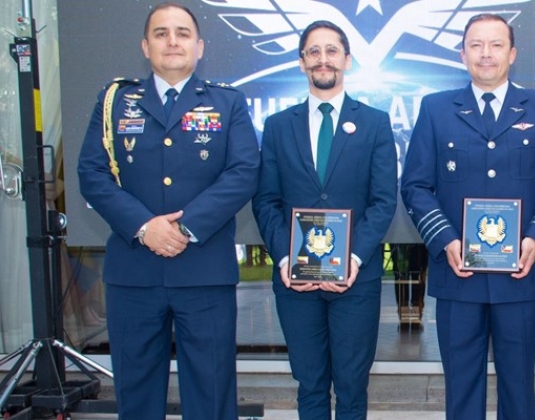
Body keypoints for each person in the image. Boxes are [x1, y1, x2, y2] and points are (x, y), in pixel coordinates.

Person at [76, 3, 259, 419]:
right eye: (161, 33)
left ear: (199, 46)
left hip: (204, 269)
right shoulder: (115, 102)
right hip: (134, 272)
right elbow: (92, 173)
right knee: (136, 390)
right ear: (145, 46)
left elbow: (244, 172)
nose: (172, 41)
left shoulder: (227, 103)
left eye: (181, 33)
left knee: (211, 392)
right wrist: (144, 227)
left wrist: (186, 227)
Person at [400, 13, 535, 420]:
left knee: (519, 392)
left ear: (512, 53)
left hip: (520, 275)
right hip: (457, 277)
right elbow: (415, 186)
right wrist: (446, 240)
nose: (486, 54)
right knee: (461, 392)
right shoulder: (436, 109)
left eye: (496, 44)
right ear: (462, 54)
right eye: (476, 45)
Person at [251, 20, 397, 420]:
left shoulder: (375, 123)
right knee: (310, 384)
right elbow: (266, 201)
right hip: (296, 283)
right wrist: (286, 259)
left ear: (346, 60)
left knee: (351, 386)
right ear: (302, 62)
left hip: (355, 279)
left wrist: (354, 258)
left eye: (332, 51)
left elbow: (383, 201)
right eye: (313, 52)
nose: (323, 59)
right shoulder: (278, 126)